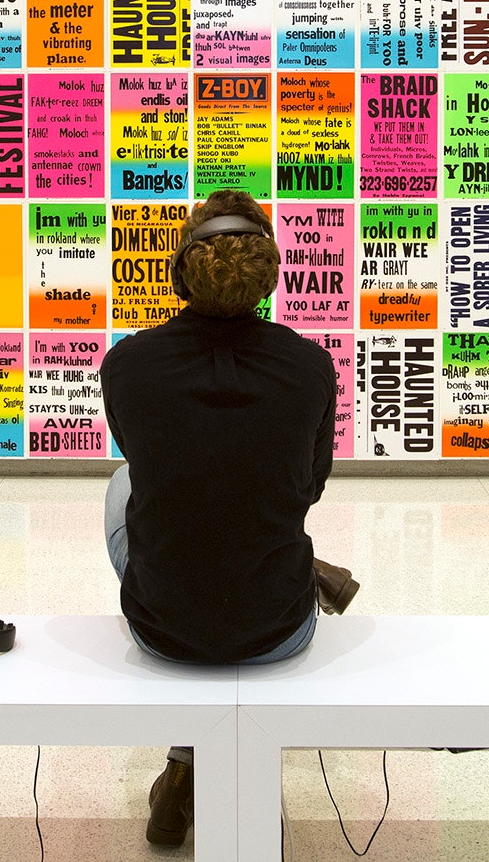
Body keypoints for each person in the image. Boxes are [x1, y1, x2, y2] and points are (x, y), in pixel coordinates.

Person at [100, 189, 359, 848]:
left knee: (123, 485)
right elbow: (310, 488)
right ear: (269, 272)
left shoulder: (127, 364)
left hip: (162, 627)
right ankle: (241, 788)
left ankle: (185, 769)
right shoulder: (308, 367)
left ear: (182, 270)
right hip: (277, 627)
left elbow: (148, 461)